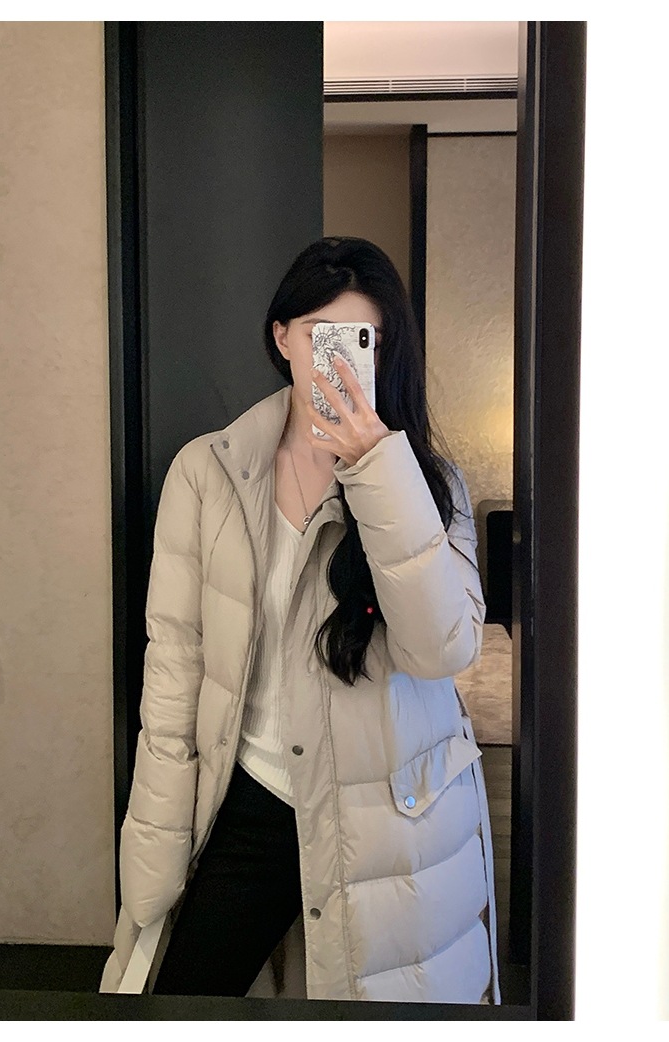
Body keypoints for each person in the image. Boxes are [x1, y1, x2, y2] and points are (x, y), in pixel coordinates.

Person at [100, 236, 500, 1004]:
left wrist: (377, 468)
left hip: (389, 815)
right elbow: (174, 667)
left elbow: (442, 649)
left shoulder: (427, 483)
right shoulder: (207, 473)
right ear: (282, 337)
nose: (338, 360)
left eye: (363, 339)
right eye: (322, 335)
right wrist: (153, 845)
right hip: (251, 798)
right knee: (180, 1002)